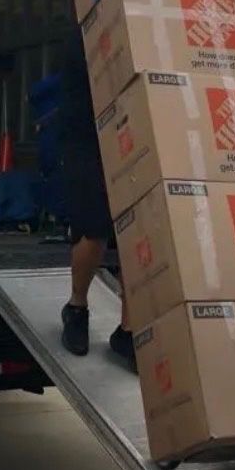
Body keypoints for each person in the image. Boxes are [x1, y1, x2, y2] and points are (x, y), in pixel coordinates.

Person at [57, 25, 134, 367]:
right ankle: (76, 308)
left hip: (131, 133)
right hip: (87, 140)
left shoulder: (135, 22)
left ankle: (128, 332)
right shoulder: (86, 33)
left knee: (138, 233)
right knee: (95, 229)